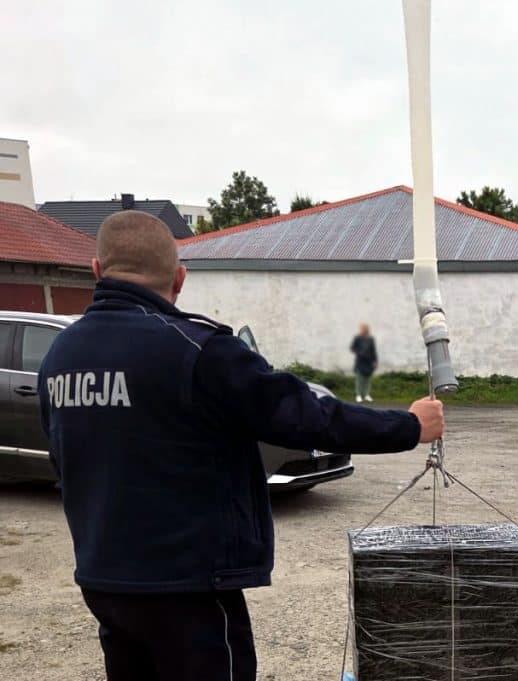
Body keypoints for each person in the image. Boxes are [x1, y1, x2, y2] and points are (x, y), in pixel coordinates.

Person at [37, 211, 444, 681]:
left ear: (95, 270)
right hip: (188, 588)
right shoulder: (196, 350)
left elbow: (62, 457)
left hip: (104, 580)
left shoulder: (60, 355)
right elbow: (304, 416)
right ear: (180, 278)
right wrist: (409, 426)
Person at [350, 323, 377, 403]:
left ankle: (366, 395)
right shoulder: (357, 338)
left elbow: (373, 351)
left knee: (367, 380)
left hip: (369, 362)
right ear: (361, 330)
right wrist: (359, 352)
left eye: (366, 329)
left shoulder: (371, 339)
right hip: (360, 362)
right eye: (363, 329)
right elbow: (352, 348)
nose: (364, 330)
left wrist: (375, 361)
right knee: (359, 379)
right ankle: (358, 395)